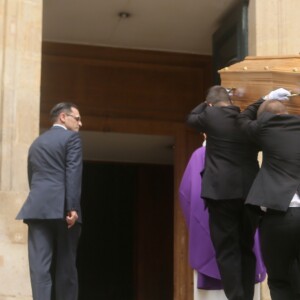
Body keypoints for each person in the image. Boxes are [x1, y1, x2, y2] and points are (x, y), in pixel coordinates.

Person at [186, 85, 261, 300]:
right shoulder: (246, 120)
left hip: (221, 193)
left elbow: (191, 117)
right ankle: (246, 296)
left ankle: (236, 297)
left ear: (210, 104)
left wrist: (206, 102)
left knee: (227, 249)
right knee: (246, 246)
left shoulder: (210, 115)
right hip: (250, 192)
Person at [178, 139, 266, 294]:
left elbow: (187, 196)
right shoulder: (244, 151)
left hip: (214, 228)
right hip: (243, 234)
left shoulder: (200, 155)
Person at [237, 88, 300, 300]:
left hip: (277, 216)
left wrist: (264, 98)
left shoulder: (264, 126)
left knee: (279, 280)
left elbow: (242, 118)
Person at [16, 102, 83, 300]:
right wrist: (71, 206)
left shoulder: (36, 143)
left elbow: (32, 177)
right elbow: (73, 172)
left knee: (39, 267)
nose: (81, 123)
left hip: (37, 208)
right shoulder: (72, 138)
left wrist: (39, 200)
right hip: (63, 209)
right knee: (66, 266)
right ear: (63, 117)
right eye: (77, 118)